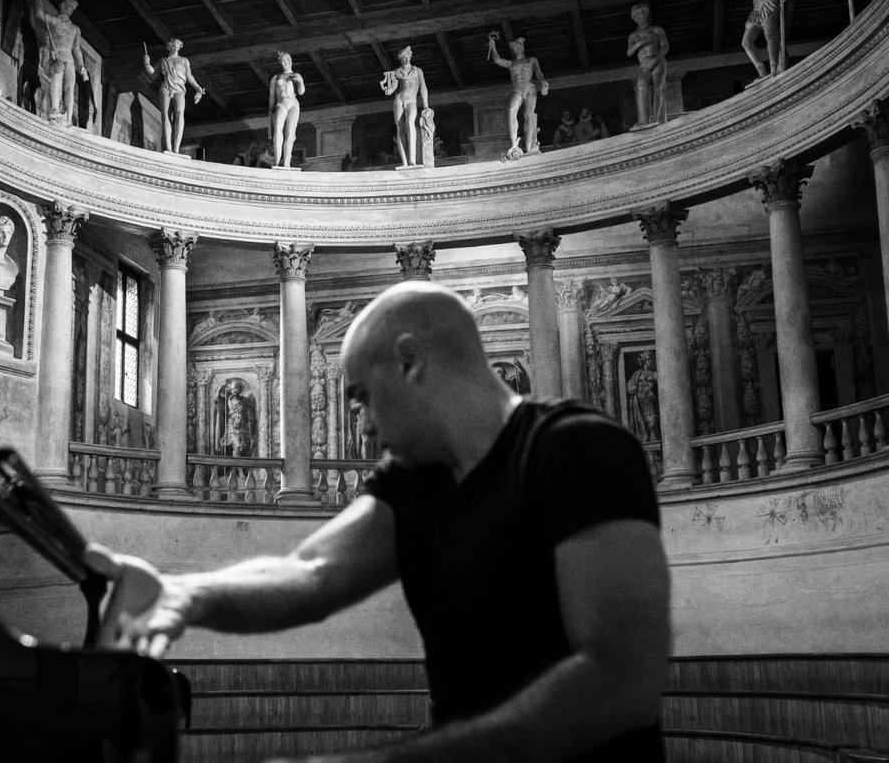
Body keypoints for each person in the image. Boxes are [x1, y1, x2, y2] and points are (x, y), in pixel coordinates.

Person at [118, 281, 671, 763]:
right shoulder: (415, 480)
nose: (361, 428)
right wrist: (184, 593)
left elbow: (620, 678)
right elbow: (312, 573)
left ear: (409, 361)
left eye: (360, 398)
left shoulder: (577, 450)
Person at [28, 0, 95, 126]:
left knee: (70, 88)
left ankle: (69, 119)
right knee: (57, 82)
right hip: (57, 54)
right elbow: (39, 15)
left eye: (72, 9)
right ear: (62, 7)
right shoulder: (54, 21)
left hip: (69, 58)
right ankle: (54, 110)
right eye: (68, 7)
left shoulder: (75, 29)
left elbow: (76, 49)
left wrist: (81, 66)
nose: (70, 10)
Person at [721, 0, 790, 81]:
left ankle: (774, 67)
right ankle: (761, 71)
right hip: (756, 10)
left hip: (769, 4)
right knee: (746, 42)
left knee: (770, 35)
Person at [487, 32, 549, 158]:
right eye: (514, 48)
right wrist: (493, 47)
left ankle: (529, 147)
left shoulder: (531, 60)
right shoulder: (511, 63)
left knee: (528, 115)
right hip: (517, 88)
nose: (516, 49)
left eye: (518, 46)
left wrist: (542, 82)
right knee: (511, 111)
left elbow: (538, 72)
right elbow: (497, 60)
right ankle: (514, 145)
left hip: (529, 86)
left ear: (522, 47)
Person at [142, 38, 206, 155]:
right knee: (165, 116)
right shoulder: (163, 61)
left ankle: (176, 149)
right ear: (169, 47)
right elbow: (153, 73)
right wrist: (147, 65)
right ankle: (169, 148)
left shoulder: (184, 60)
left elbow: (189, 75)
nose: (174, 47)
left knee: (179, 113)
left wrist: (197, 87)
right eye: (172, 45)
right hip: (166, 88)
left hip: (179, 88)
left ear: (180, 47)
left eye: (177, 45)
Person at [379, 46, 429, 167]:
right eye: (403, 58)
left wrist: (426, 106)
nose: (406, 59)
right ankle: (405, 162)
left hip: (411, 100)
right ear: (400, 59)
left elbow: (423, 88)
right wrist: (386, 89)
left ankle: (412, 160)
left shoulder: (417, 71)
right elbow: (393, 88)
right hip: (399, 100)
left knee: (410, 123)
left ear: (410, 57)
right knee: (400, 128)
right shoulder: (397, 72)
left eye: (407, 56)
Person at [627, 3, 670, 129]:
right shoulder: (633, 36)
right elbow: (629, 52)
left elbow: (665, 46)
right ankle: (643, 121)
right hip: (643, 65)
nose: (640, 16)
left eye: (642, 13)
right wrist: (639, 43)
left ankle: (657, 120)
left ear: (646, 14)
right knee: (641, 87)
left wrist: (655, 59)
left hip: (657, 61)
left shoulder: (657, 30)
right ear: (633, 18)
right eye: (637, 15)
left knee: (657, 89)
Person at [269, 51, 305, 168]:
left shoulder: (296, 75)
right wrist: (271, 110)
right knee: (278, 128)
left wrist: (299, 82)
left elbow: (301, 91)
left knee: (290, 133)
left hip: (293, 103)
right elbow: (272, 96)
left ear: (290, 61)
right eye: (282, 61)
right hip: (281, 103)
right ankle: (277, 160)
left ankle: (286, 163)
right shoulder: (275, 78)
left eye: (285, 60)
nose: (283, 63)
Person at [214, 378, 256, 457]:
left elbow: (250, 413)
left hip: (242, 427)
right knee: (236, 446)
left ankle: (237, 468)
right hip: (231, 427)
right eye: (233, 388)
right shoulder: (228, 400)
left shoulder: (244, 401)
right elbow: (216, 398)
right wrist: (221, 386)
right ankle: (236, 468)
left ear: (240, 389)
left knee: (241, 447)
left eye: (236, 388)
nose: (234, 390)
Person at [626, 351, 660, 443]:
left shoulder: (655, 374)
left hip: (650, 401)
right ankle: (646, 444)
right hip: (639, 402)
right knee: (641, 424)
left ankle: (655, 447)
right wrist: (636, 389)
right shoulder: (637, 374)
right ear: (644, 361)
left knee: (652, 423)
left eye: (652, 359)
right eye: (649, 359)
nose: (651, 361)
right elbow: (629, 386)